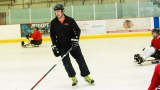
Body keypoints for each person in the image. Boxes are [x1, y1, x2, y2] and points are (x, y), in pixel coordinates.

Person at [50, 4, 94, 87]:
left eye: (58, 11)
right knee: (66, 63)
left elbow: (77, 30)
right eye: (55, 11)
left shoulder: (70, 20)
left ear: (62, 11)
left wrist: (76, 39)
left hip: (73, 45)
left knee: (81, 60)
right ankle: (73, 77)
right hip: (62, 46)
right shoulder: (53, 23)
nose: (57, 13)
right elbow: (52, 35)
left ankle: (86, 75)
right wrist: (55, 46)